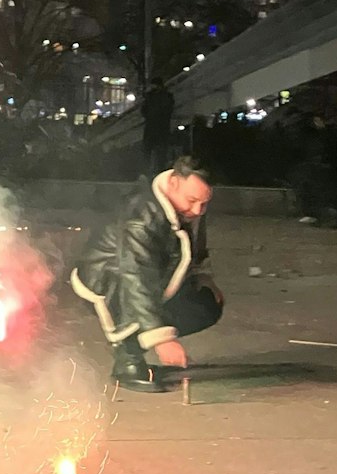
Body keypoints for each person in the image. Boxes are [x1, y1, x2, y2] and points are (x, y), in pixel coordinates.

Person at [70, 156, 223, 392]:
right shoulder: (140, 217)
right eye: (192, 201)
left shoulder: (186, 207)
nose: (197, 210)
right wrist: (161, 339)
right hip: (109, 283)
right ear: (173, 183)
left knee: (204, 304)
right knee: (155, 302)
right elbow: (135, 276)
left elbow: (193, 249)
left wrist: (202, 277)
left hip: (150, 277)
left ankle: (135, 348)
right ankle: (128, 359)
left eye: (204, 203)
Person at [141, 82, 176, 173]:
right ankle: (159, 170)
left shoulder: (150, 97)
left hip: (152, 127)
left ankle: (147, 170)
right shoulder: (167, 97)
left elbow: (144, 110)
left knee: (149, 150)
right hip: (162, 128)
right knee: (160, 152)